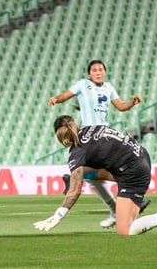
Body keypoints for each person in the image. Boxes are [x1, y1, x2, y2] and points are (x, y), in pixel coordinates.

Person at [33, 115, 157, 235]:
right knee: (85, 172)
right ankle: (127, 205)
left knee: (125, 230)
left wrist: (57, 216)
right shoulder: (90, 128)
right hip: (141, 156)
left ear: (61, 139)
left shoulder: (77, 152)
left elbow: (75, 191)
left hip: (133, 173)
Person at [48, 60, 145, 228]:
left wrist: (132, 102)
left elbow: (121, 106)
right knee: (90, 175)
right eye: (94, 70)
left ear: (105, 72)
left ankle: (129, 199)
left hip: (103, 134)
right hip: (90, 133)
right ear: (89, 74)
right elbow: (66, 95)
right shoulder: (83, 85)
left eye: (101, 69)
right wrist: (56, 99)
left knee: (90, 173)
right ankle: (119, 207)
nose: (98, 72)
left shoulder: (108, 88)